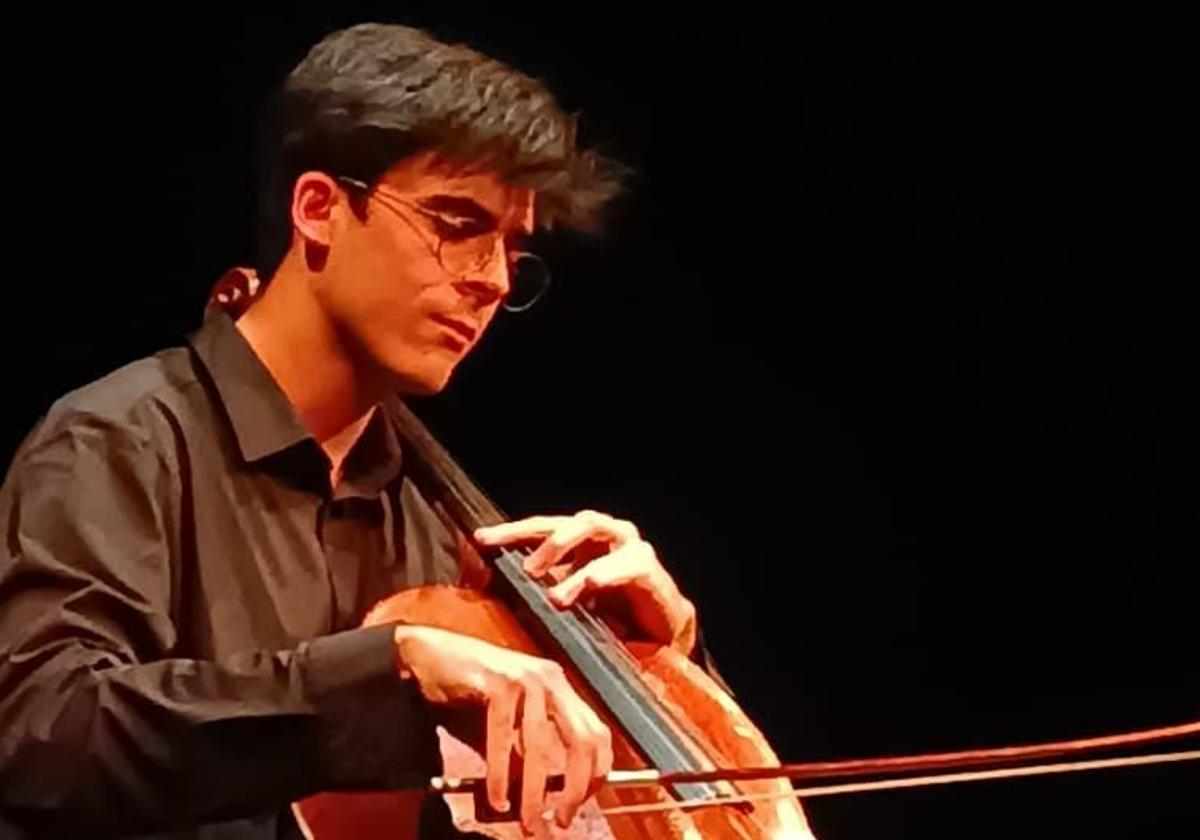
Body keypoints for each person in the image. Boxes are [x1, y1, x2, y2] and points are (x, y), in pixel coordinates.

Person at [0, 22, 714, 840]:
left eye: (513, 249)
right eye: (455, 223)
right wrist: (384, 667)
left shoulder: (434, 523)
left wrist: (660, 659)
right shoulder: (120, 441)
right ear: (319, 210)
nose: (490, 280)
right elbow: (39, 732)